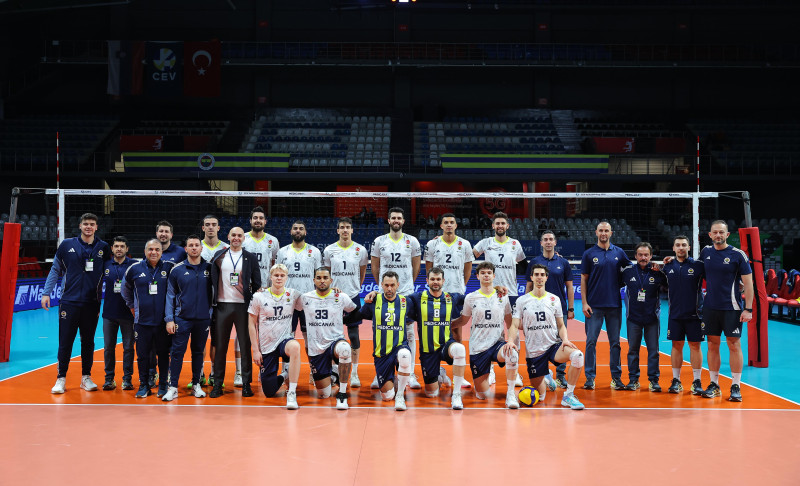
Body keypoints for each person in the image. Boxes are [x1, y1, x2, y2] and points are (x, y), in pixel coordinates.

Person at [42, 213, 111, 394]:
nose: (89, 226)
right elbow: (55, 269)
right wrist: (46, 293)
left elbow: (111, 273)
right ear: (80, 226)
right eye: (85, 223)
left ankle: (86, 377)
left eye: (92, 224)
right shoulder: (66, 245)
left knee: (88, 342)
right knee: (65, 341)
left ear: (96, 227)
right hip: (69, 302)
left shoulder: (103, 247)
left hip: (91, 303)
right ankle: (61, 379)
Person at [508, 264, 585, 410]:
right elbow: (514, 324)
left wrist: (565, 340)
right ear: (531, 277)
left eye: (542, 275)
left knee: (578, 356)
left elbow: (561, 325)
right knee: (540, 397)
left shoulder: (554, 299)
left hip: (553, 346)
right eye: (536, 275)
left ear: (546, 278)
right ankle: (547, 376)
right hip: (534, 352)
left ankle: (568, 396)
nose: (539, 277)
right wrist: (510, 341)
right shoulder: (522, 301)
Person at [699, 220, 753, 402]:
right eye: (715, 232)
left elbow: (748, 284)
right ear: (710, 235)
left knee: (734, 345)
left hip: (732, 307)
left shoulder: (738, 255)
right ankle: (714, 384)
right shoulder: (706, 252)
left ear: (727, 234)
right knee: (712, 345)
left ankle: (736, 386)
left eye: (721, 232)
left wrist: (748, 309)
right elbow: (693, 268)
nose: (718, 235)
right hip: (710, 307)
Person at [454, 262, 520, 409]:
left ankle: (510, 395)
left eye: (489, 273)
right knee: (482, 395)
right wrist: (446, 325)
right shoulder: (471, 298)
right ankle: (488, 373)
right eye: (482, 273)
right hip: (478, 347)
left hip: (497, 344)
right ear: (477, 276)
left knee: (512, 354)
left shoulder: (503, 296)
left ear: (494, 276)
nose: (486, 275)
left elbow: (510, 323)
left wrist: (511, 341)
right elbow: (463, 321)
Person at [370, 207, 422, 389]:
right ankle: (381, 372)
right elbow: (375, 267)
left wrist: (406, 285)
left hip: (406, 293)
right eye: (393, 218)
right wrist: (383, 287)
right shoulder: (379, 241)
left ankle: (410, 373)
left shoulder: (412, 241)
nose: (396, 220)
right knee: (382, 331)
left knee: (408, 332)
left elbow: (416, 267)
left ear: (403, 221)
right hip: (385, 293)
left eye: (399, 218)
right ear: (389, 220)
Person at [472, 211, 526, 387]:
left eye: (503, 223)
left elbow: (524, 264)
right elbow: (469, 255)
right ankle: (490, 370)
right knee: (489, 330)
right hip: (491, 293)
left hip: (511, 293)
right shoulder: (486, 242)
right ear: (493, 225)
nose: (500, 226)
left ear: (507, 226)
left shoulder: (515, 244)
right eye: (497, 223)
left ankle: (514, 371)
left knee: (513, 330)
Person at [209, 227, 262, 398]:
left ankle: (246, 384)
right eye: (233, 235)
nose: (236, 238)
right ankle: (218, 384)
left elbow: (257, 282)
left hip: (243, 307)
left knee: (245, 347)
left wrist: (254, 304)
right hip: (222, 306)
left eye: (239, 235)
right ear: (228, 236)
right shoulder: (219, 255)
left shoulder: (250, 257)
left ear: (243, 238)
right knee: (220, 347)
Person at [580, 221, 631, 390]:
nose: (603, 233)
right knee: (591, 342)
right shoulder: (589, 254)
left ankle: (616, 378)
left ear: (611, 233)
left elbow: (631, 270)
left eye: (606, 230)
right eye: (601, 230)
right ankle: (590, 378)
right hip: (594, 306)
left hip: (614, 305)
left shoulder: (619, 253)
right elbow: (584, 279)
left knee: (615, 343)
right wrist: (584, 303)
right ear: (596, 232)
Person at [352, 271, 414, 411]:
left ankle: (400, 395)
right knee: (387, 396)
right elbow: (358, 316)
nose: (389, 288)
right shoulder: (374, 301)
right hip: (382, 353)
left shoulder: (406, 302)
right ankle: (394, 380)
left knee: (405, 355)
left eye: (392, 285)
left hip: (399, 346)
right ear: (381, 285)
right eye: (386, 285)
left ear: (398, 285)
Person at [162, 235, 213, 401]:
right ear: (186, 249)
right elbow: (170, 295)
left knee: (198, 352)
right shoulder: (177, 270)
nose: (194, 248)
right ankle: (173, 387)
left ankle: (196, 384)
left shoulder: (210, 268)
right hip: (182, 319)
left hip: (203, 319)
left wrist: (210, 314)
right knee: (177, 353)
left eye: (197, 245)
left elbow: (215, 292)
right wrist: (169, 319)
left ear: (201, 248)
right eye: (190, 245)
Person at [298, 267, 357, 409]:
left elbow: (354, 311)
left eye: (325, 278)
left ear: (331, 280)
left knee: (345, 349)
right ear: (314, 280)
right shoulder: (305, 298)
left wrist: (342, 321)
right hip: (317, 348)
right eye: (319, 278)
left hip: (335, 342)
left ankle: (342, 394)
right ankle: (334, 374)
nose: (322, 281)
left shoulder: (340, 297)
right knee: (324, 394)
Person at [121, 239, 174, 398]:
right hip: (142, 322)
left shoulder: (169, 268)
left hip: (162, 322)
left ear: (161, 252)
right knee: (143, 355)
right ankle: (144, 385)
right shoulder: (134, 269)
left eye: (157, 249)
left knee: (163, 354)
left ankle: (163, 385)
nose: (154, 252)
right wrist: (132, 306)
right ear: (145, 251)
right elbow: (125, 289)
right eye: (150, 249)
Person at [248, 264, 303, 409]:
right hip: (267, 344)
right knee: (269, 391)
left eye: (282, 275)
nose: (279, 278)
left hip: (285, 340)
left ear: (286, 277)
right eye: (276, 275)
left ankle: (292, 393)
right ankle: (284, 375)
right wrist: (255, 350)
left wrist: (334, 291)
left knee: (295, 346)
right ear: (270, 277)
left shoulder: (293, 294)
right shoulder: (259, 296)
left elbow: (315, 299)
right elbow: (251, 324)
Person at [525, 230, 575, 388]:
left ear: (555, 242)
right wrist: (526, 307)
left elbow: (570, 286)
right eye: (545, 239)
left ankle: (560, 375)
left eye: (550, 239)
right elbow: (528, 285)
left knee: (561, 340)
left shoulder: (563, 262)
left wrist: (571, 308)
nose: (548, 242)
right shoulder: (534, 262)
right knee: (540, 339)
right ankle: (544, 373)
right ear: (541, 243)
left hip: (559, 309)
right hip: (538, 309)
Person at [323, 217, 368, 388]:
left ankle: (354, 373)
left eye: (348, 227)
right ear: (337, 230)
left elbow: (362, 272)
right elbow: (327, 273)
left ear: (352, 230)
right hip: (333, 298)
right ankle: (333, 370)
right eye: (342, 227)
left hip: (352, 296)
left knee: (354, 336)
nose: (345, 230)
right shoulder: (329, 250)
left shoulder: (360, 250)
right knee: (331, 336)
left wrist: (355, 287)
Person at [277, 220, 322, 381]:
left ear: (305, 232)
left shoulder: (314, 252)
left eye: (301, 228)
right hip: (287, 303)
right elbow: (277, 276)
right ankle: (286, 372)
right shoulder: (282, 252)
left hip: (308, 302)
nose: (298, 231)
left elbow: (319, 276)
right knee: (286, 338)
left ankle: (314, 371)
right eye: (295, 228)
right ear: (291, 231)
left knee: (311, 339)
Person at [662, 235, 706, 395]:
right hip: (675, 315)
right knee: (676, 345)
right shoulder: (667, 266)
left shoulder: (699, 266)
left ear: (689, 247)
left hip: (695, 314)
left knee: (695, 346)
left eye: (684, 245)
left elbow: (717, 278)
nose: (681, 247)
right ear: (673, 248)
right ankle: (676, 380)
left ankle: (697, 381)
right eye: (678, 245)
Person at [620, 242, 667, 392]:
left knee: (653, 351)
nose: (643, 257)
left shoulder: (657, 273)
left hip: (652, 319)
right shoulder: (627, 272)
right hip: (633, 319)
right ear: (635, 256)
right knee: (633, 351)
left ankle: (653, 380)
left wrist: (664, 268)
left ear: (651, 256)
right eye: (640, 255)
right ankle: (633, 379)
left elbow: (670, 285)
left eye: (646, 255)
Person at [101, 236, 135, 391]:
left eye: (122, 246)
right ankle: (109, 379)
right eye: (116, 246)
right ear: (112, 249)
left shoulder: (133, 265)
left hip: (128, 314)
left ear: (127, 249)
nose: (119, 249)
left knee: (128, 348)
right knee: (108, 347)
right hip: (109, 314)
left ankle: (127, 379)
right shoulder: (106, 265)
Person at [200, 214, 228, 386]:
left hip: (220, 302)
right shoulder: (196, 246)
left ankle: (214, 374)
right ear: (203, 228)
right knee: (200, 340)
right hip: (200, 302)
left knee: (217, 341)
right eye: (207, 224)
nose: (210, 227)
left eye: (213, 224)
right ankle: (199, 374)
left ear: (218, 227)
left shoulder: (226, 248)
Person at [424, 213, 474, 295]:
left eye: (452, 222)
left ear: (456, 226)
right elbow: (428, 269)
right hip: (438, 292)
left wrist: (462, 284)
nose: (449, 225)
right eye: (446, 223)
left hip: (458, 291)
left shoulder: (465, 244)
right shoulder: (432, 244)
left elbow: (468, 270)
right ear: (441, 226)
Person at [242, 206, 279, 288]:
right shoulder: (242, 239)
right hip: (245, 286)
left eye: (261, 218)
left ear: (265, 221)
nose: (258, 220)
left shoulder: (273, 240)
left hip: (265, 286)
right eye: (255, 218)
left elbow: (275, 264)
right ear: (250, 221)